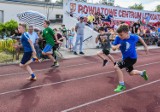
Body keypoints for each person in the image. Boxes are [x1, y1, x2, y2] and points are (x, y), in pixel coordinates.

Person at [112, 23, 149, 92]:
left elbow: (139, 38)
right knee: (131, 73)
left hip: (132, 58)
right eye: (119, 35)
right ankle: (142, 73)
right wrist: (115, 47)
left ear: (126, 33)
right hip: (125, 58)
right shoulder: (118, 38)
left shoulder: (133, 37)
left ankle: (121, 85)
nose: (120, 36)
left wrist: (145, 46)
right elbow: (113, 47)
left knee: (117, 67)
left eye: (121, 35)